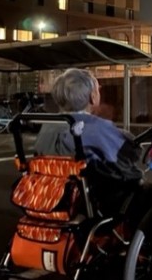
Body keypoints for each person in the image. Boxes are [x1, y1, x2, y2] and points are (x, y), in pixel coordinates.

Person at [35, 68, 144, 215]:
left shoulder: (48, 126)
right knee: (146, 192)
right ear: (93, 97)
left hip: (51, 196)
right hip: (89, 202)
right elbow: (130, 155)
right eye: (98, 89)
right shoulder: (96, 127)